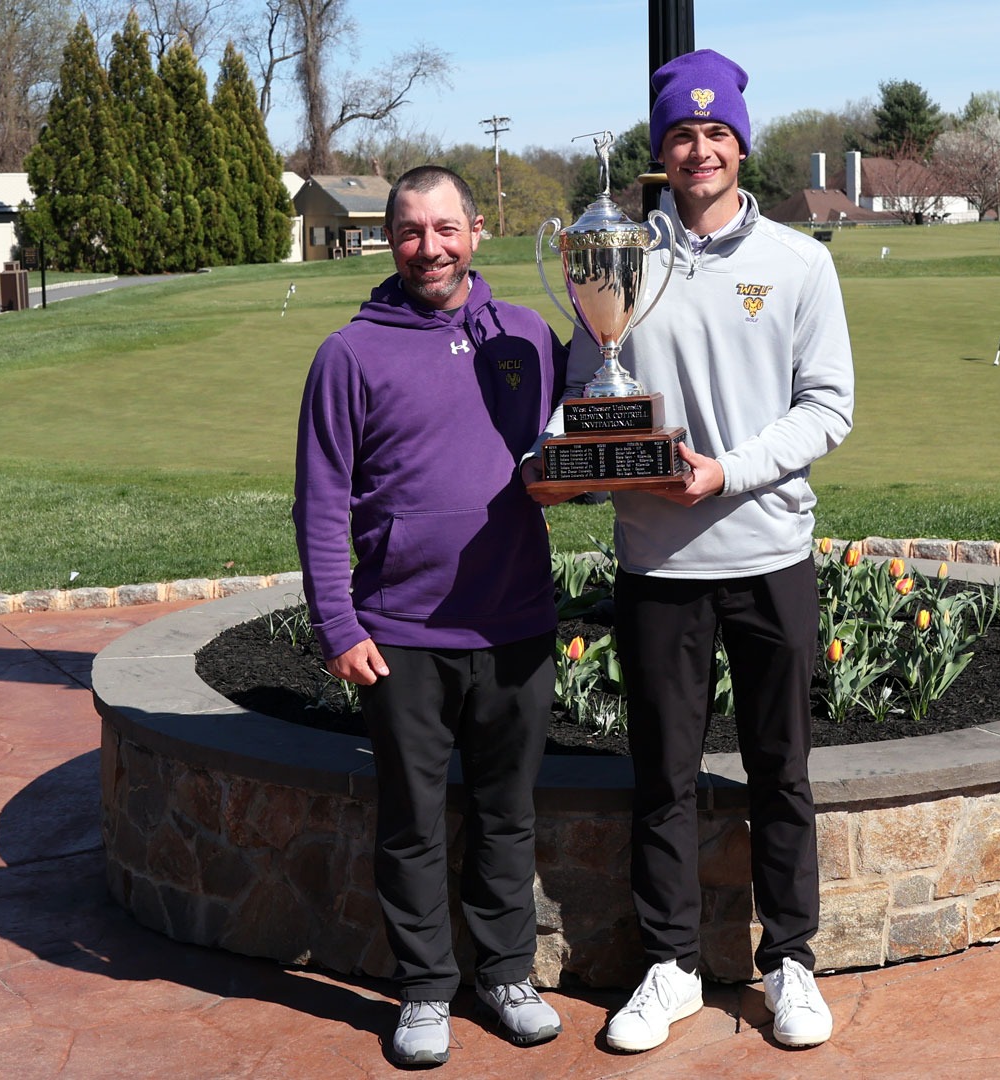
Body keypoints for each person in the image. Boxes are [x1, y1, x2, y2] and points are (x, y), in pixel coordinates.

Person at [525, 49, 855, 1052]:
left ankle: (790, 961)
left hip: (767, 554)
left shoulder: (802, 261)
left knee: (780, 769)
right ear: (660, 152)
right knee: (661, 775)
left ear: (740, 142)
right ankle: (667, 968)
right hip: (658, 565)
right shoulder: (616, 254)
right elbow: (590, 389)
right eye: (681, 133)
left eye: (715, 132)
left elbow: (830, 408)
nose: (699, 148)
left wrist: (729, 471)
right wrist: (566, 456)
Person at [295, 165, 568, 1068]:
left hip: (517, 625)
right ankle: (423, 991)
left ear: (477, 231)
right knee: (412, 819)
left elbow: (576, 444)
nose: (429, 248)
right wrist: (338, 623)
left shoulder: (529, 336)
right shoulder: (350, 354)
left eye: (445, 229)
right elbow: (320, 499)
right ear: (391, 239)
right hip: (403, 632)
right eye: (411, 232)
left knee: (506, 813)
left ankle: (506, 975)